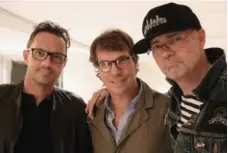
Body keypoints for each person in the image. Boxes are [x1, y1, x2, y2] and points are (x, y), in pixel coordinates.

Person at [86, 2, 227, 153]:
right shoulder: (174, 103)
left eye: (175, 39)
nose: (166, 52)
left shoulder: (163, 107)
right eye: (157, 46)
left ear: (201, 37)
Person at [0, 21, 93, 153]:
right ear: (26, 56)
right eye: (39, 53)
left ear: (64, 63)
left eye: (56, 57)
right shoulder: (2, 98)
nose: (47, 63)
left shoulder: (75, 108)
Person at [87, 29, 172, 153]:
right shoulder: (91, 113)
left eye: (122, 60)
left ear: (135, 62)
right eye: (105, 64)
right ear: (98, 71)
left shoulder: (167, 108)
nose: (115, 72)